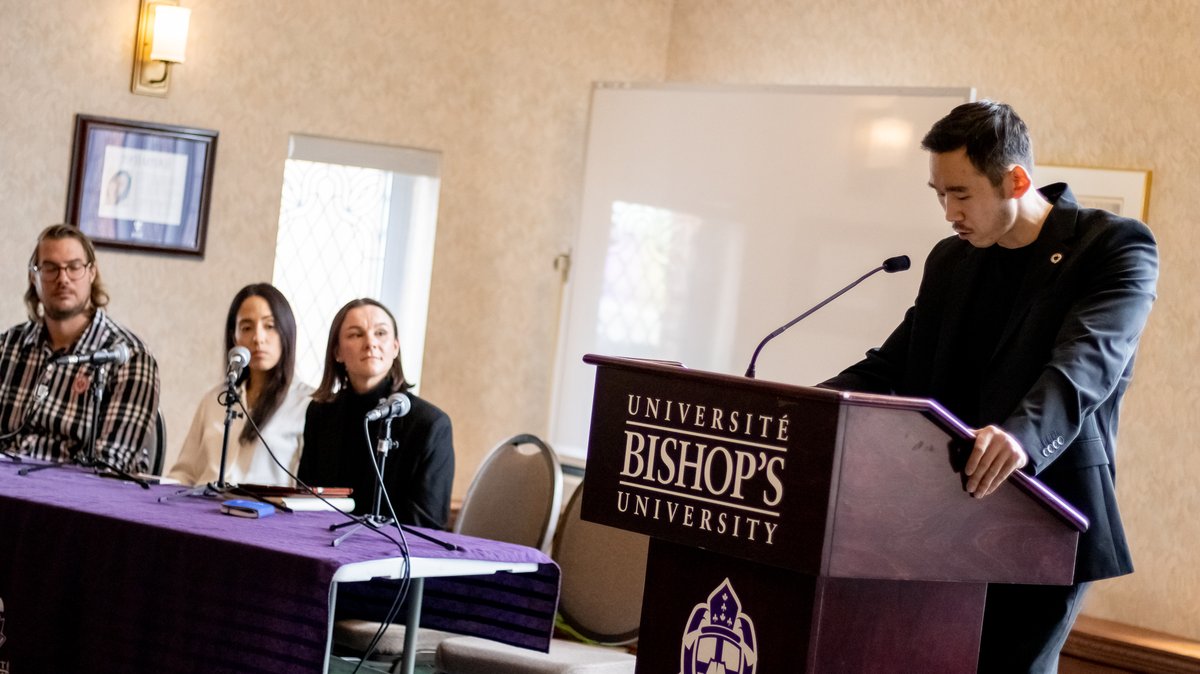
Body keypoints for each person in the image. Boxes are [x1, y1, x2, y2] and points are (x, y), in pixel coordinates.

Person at [821, 101, 1158, 673]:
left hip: (1044, 515)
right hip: (936, 521)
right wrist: (798, 405)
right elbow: (893, 367)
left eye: (960, 194)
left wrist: (1022, 437)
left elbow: (1087, 363)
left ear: (1016, 180)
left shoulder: (1113, 247)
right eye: (938, 195)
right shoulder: (952, 259)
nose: (948, 211)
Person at [0, 224, 160, 472]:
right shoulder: (8, 346)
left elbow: (110, 465)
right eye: (50, 268)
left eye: (74, 267)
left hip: (74, 502)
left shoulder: (129, 357)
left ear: (92, 273)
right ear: (34, 277)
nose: (62, 279)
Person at [298, 298, 454, 529]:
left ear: (395, 348)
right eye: (355, 334)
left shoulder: (430, 425)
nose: (370, 342)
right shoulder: (321, 413)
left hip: (394, 556)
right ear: (337, 352)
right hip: (322, 541)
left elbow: (427, 524)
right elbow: (307, 497)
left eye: (380, 333)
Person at [168, 283, 313, 486]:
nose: (258, 338)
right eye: (246, 327)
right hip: (200, 511)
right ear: (234, 337)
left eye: (269, 326)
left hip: (262, 513)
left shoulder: (307, 404)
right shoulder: (214, 400)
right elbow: (184, 474)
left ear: (287, 332)